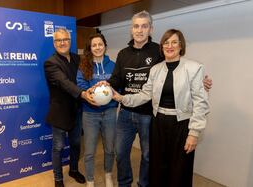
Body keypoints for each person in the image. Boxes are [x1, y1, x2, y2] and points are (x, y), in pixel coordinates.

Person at [104, 10, 212, 187]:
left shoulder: (178, 60)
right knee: (148, 162)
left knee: (168, 164)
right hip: (146, 119)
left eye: (144, 26)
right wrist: (117, 94)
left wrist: (194, 132)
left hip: (166, 120)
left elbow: (196, 96)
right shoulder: (139, 61)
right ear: (132, 29)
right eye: (136, 26)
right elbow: (137, 89)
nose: (170, 46)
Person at [44, 28, 93, 187]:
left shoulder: (77, 59)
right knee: (58, 147)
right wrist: (84, 94)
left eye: (66, 39)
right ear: (54, 43)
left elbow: (86, 77)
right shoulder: (50, 63)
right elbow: (64, 83)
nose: (62, 43)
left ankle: (73, 170)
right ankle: (58, 179)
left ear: (70, 41)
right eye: (59, 40)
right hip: (60, 112)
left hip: (77, 110)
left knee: (76, 144)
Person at [76, 33, 117, 187]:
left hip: (110, 112)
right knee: (90, 151)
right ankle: (90, 180)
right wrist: (87, 93)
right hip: (89, 113)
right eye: (94, 45)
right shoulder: (84, 66)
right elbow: (80, 84)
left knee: (109, 148)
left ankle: (108, 174)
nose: (98, 47)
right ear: (90, 48)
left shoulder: (113, 65)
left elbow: (118, 84)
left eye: (100, 44)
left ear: (105, 46)